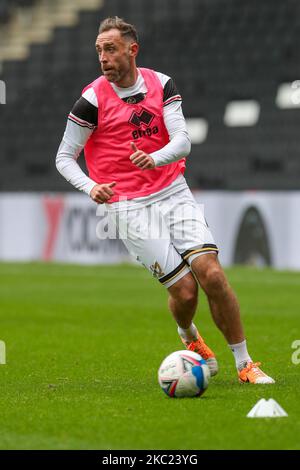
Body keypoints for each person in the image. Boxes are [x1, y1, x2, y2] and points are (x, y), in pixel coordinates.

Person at [56, 16, 274, 384]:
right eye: (98, 51)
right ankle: (189, 336)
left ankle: (245, 364)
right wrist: (90, 186)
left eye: (110, 49)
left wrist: (154, 158)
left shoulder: (161, 84)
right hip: (126, 204)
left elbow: (183, 140)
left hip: (172, 190)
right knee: (186, 292)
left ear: (132, 49)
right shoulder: (91, 99)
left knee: (213, 275)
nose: (103, 57)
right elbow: (64, 157)